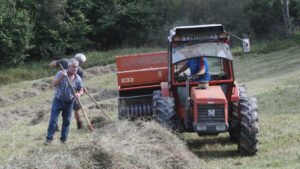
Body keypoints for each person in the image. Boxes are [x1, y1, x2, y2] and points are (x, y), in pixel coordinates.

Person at [44, 59, 83, 145]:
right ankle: (49, 139)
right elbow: (54, 84)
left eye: (76, 67)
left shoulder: (78, 78)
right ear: (69, 67)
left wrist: (79, 94)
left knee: (66, 122)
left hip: (69, 103)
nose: (75, 69)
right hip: (58, 101)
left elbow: (81, 88)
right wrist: (62, 76)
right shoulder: (61, 73)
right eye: (73, 67)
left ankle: (63, 140)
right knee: (53, 121)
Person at [50, 53, 87, 130]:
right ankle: (79, 126)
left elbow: (52, 64)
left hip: (61, 88)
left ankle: (55, 125)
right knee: (77, 109)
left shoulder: (64, 61)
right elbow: (78, 81)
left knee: (57, 108)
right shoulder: (79, 70)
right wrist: (81, 90)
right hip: (72, 92)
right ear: (80, 62)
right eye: (82, 63)